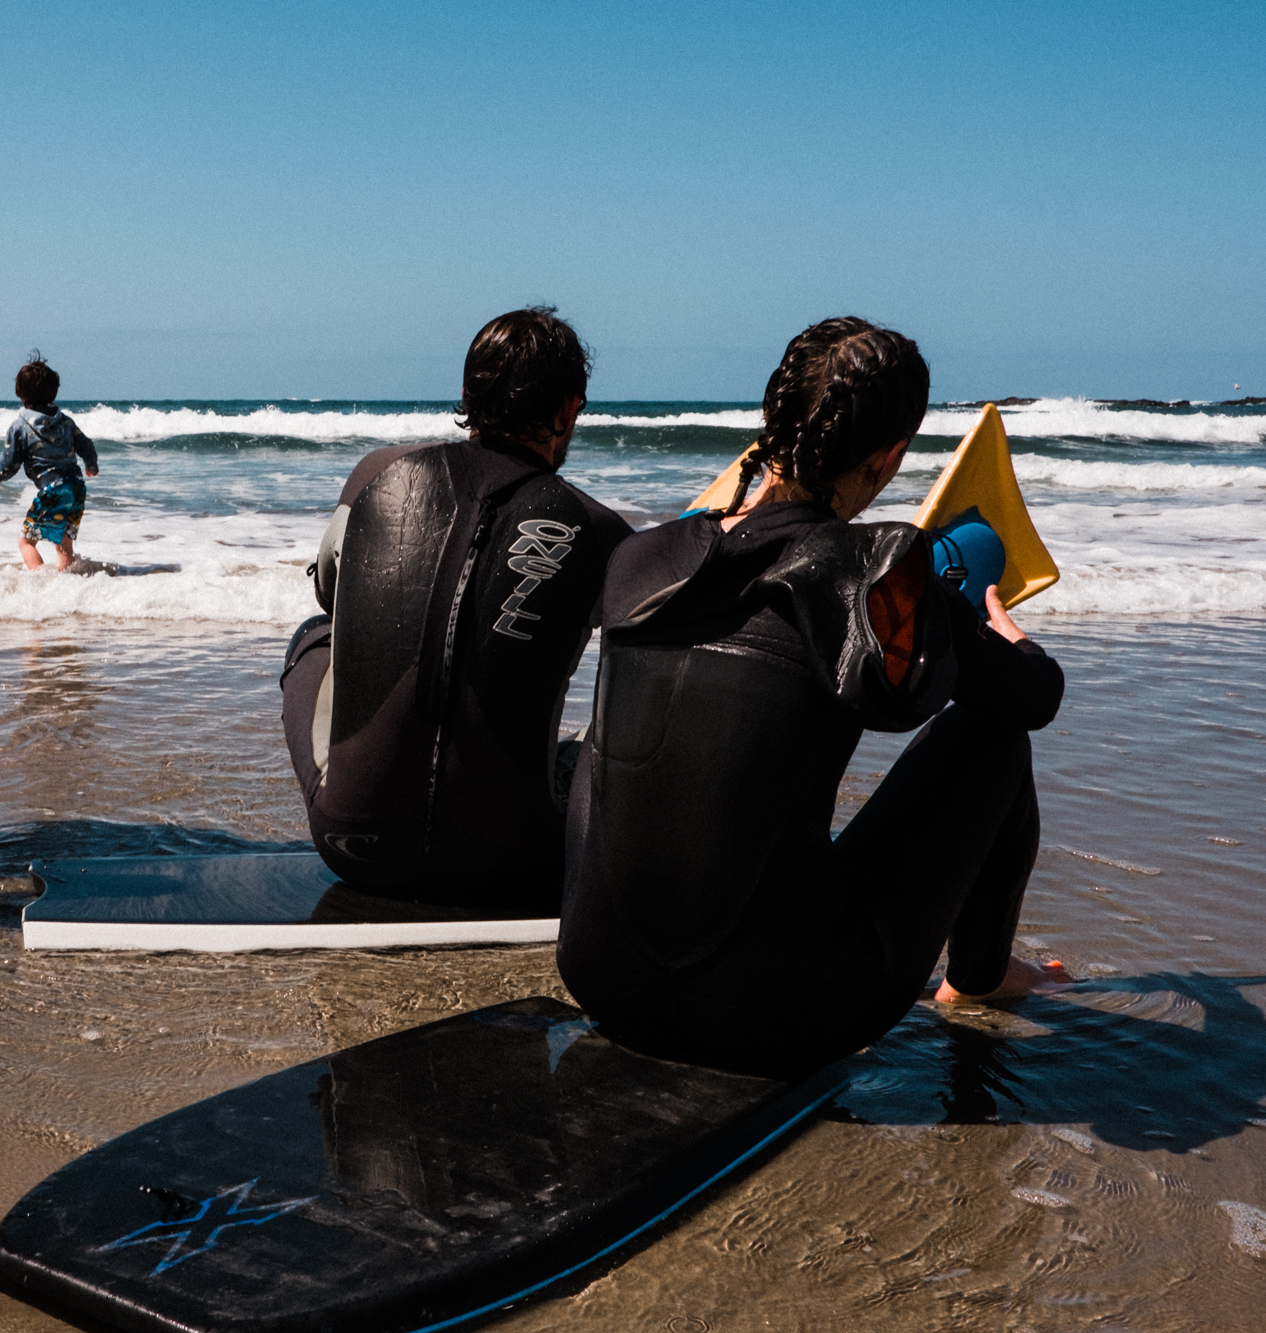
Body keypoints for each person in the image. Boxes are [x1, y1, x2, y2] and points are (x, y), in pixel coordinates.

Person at [557, 316, 1071, 1080]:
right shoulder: (871, 574)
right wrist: (1010, 640)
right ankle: (981, 974)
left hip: (604, 980)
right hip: (777, 1015)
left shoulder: (642, 558)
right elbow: (1032, 697)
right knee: (992, 740)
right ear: (891, 455)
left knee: (605, 745)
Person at [279, 308, 633, 914]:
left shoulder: (377, 473)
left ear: (468, 394)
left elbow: (330, 593)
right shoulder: (604, 533)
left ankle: (364, 784)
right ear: (568, 409)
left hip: (354, 847)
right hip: (521, 861)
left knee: (316, 634)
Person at [0, 355, 100, 571]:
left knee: (26, 541)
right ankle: (67, 583)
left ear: (19, 392)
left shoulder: (20, 426)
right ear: (54, 391)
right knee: (64, 545)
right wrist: (91, 466)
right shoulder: (65, 421)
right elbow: (86, 445)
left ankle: (41, 585)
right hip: (76, 488)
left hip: (54, 490)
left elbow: (9, 466)